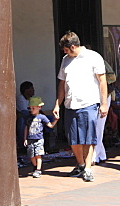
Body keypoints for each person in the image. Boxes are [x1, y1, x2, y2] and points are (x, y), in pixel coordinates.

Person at [52, 31, 109, 182]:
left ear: (72, 47)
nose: (64, 53)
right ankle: (80, 164)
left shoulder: (93, 57)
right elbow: (62, 83)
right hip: (71, 103)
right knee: (73, 138)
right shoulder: (65, 60)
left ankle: (89, 168)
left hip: (89, 102)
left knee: (88, 137)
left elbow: (102, 81)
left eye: (65, 49)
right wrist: (57, 103)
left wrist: (103, 104)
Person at [24, 96, 59, 177]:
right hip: (30, 139)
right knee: (31, 155)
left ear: (39, 107)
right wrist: (25, 138)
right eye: (30, 108)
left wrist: (55, 120)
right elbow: (26, 128)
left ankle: (38, 169)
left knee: (38, 155)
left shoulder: (42, 117)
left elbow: (50, 125)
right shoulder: (28, 118)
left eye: (33, 108)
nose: (31, 110)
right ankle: (35, 167)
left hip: (39, 139)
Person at [16, 81, 36, 147]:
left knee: (49, 118)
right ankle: (22, 145)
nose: (33, 90)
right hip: (25, 118)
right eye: (31, 88)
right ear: (26, 90)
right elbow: (25, 112)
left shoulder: (32, 99)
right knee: (22, 121)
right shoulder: (20, 98)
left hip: (32, 117)